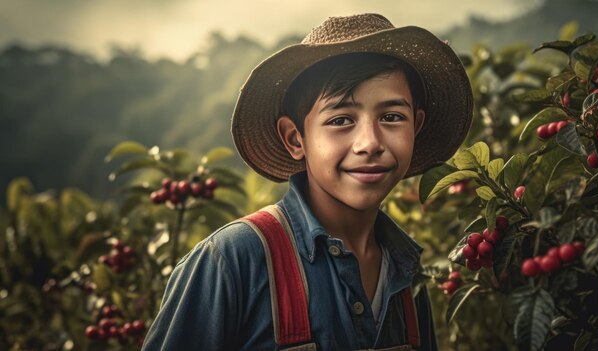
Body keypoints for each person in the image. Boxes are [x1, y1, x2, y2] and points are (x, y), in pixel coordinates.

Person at [142, 13, 473, 350]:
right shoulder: (230, 261)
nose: (370, 143)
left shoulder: (406, 273)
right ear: (295, 138)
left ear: (415, 127)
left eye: (391, 117)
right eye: (341, 119)